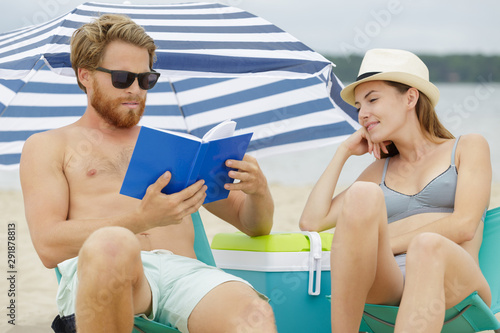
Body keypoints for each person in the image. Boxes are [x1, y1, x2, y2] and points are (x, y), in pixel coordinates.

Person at [20, 14, 276, 333]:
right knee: (112, 244)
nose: (136, 90)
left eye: (146, 79)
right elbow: (48, 245)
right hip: (108, 270)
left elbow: (253, 225)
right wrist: (142, 220)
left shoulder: (172, 147)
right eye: (123, 78)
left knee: (254, 314)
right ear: (85, 75)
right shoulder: (49, 145)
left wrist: (258, 190)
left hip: (186, 275)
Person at [299, 48, 492, 332]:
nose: (363, 114)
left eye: (372, 99)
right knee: (361, 195)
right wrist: (343, 152)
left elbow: (464, 226)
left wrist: (378, 245)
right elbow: (312, 222)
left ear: (410, 98)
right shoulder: (379, 171)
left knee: (427, 246)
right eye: (358, 107)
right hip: (390, 284)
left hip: (457, 283)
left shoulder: (467, 147)